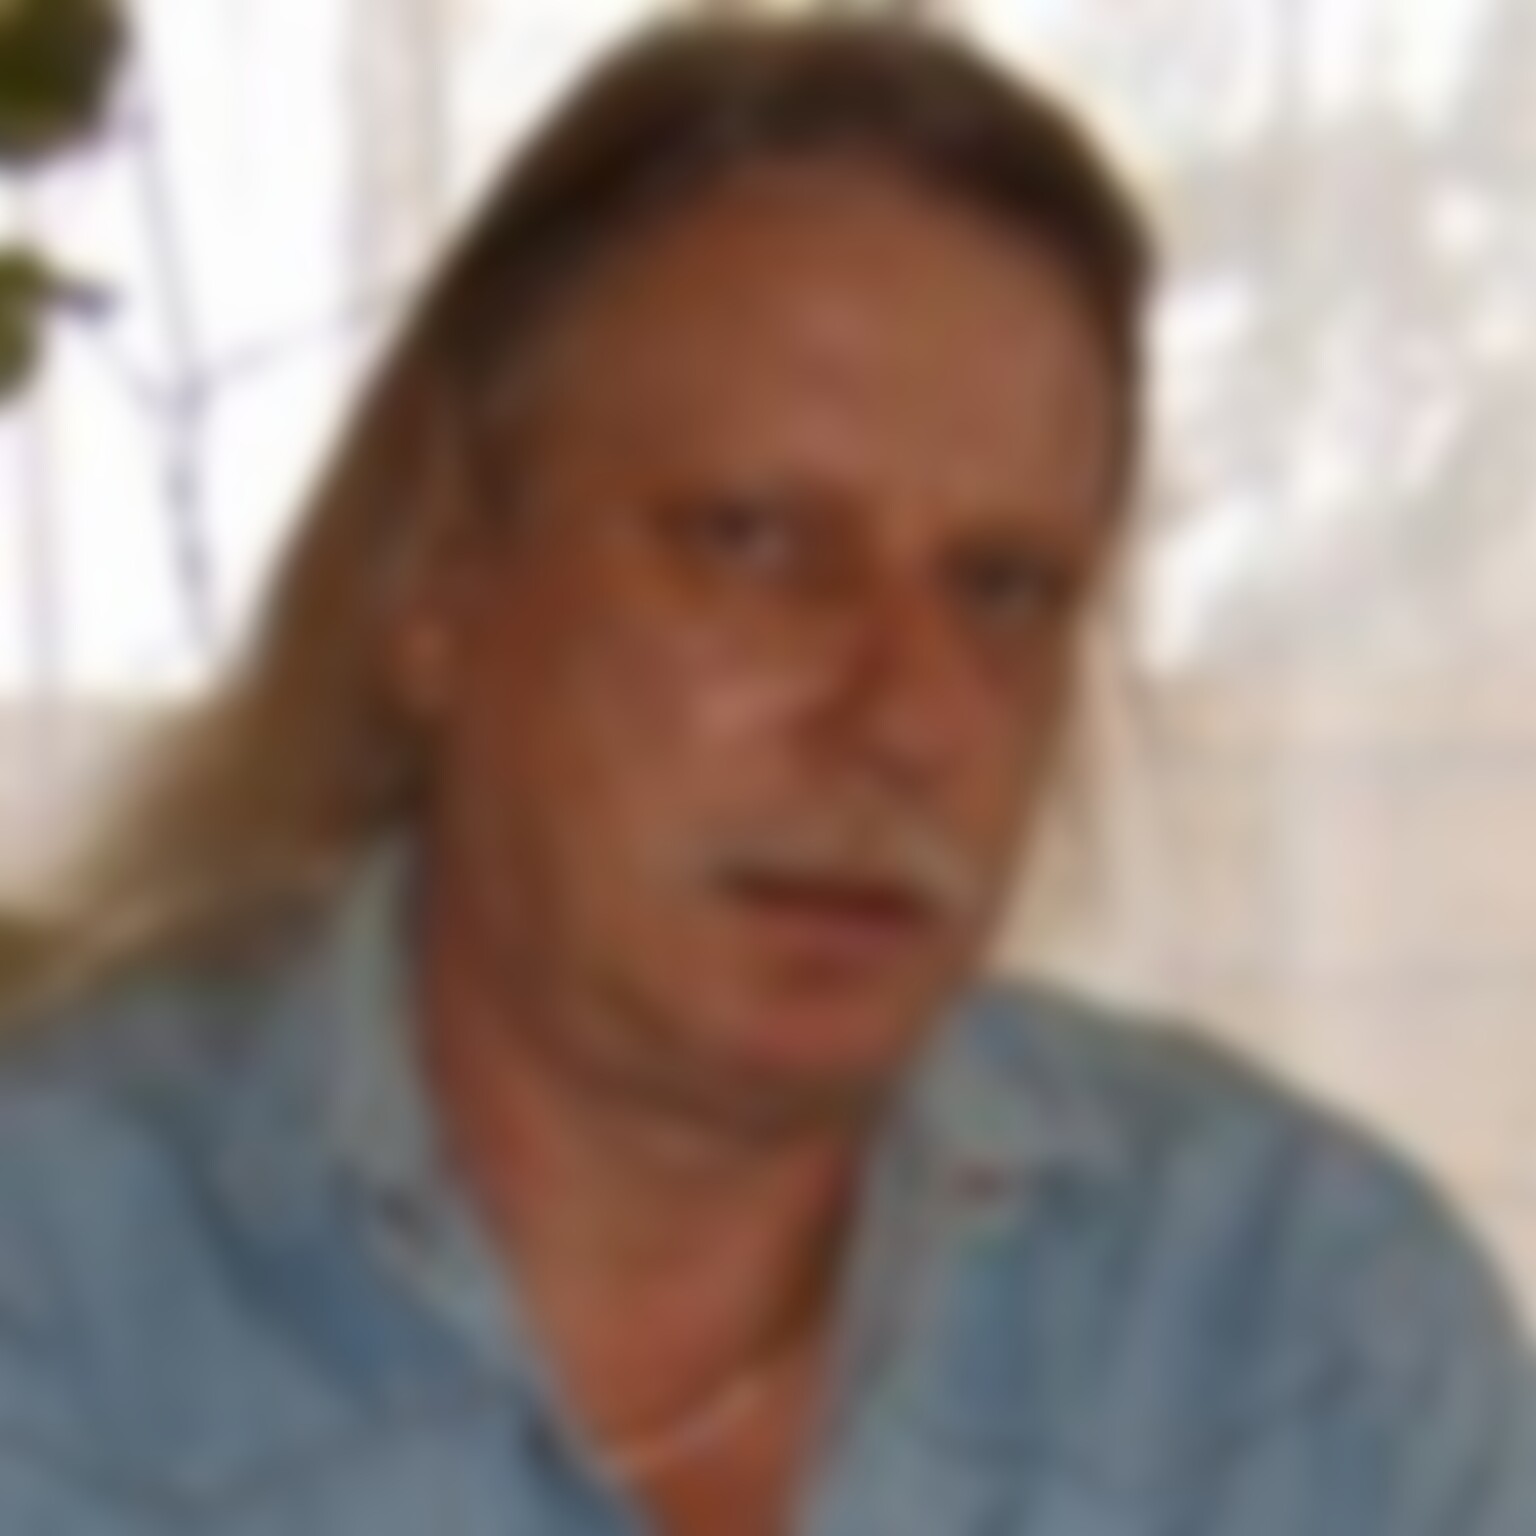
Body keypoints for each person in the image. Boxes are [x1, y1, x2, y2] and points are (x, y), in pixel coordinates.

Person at [0, 14, 1531, 1536]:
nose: (911, 715)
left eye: (1002, 587)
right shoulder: (57, 1307)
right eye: (757, 544)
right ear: (440, 579)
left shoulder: (1306, 1342)